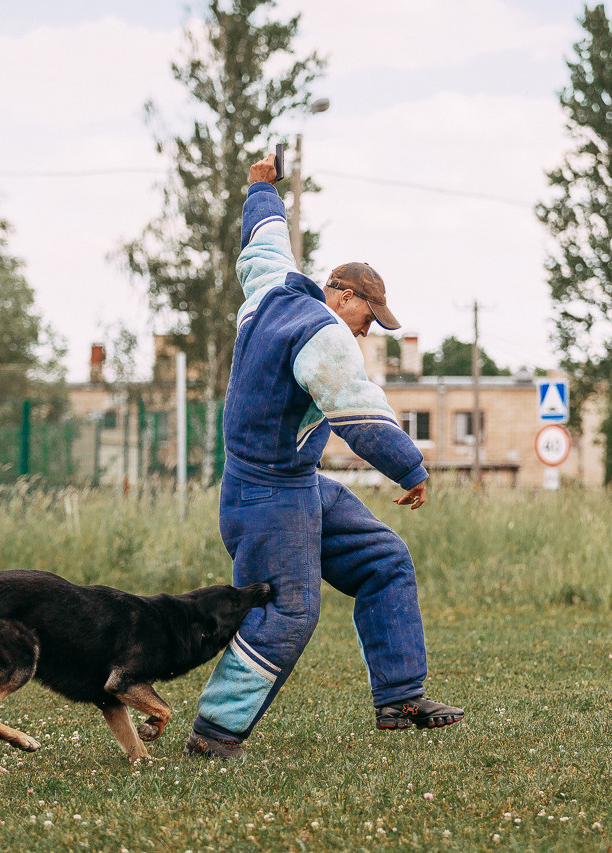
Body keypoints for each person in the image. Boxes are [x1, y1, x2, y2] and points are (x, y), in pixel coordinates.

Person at [184, 152, 463, 760]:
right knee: (288, 612)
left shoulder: (269, 290)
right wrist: (408, 466)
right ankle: (215, 734)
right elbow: (356, 410)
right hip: (268, 495)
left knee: (383, 558)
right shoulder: (322, 332)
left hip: (292, 483)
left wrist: (261, 188)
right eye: (370, 314)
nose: (369, 330)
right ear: (341, 294)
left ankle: (400, 697)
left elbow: (263, 241)